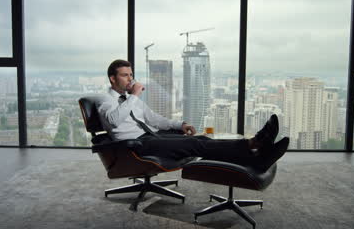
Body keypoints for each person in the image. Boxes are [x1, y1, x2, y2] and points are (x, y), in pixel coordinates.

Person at [97, 59, 289, 171]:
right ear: (113, 79)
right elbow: (114, 121)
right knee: (195, 144)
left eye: (131, 75)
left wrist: (180, 124)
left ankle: (254, 146)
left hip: (152, 137)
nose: (130, 79)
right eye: (125, 75)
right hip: (136, 146)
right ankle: (255, 153)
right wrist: (135, 95)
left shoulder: (132, 100)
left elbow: (155, 119)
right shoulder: (105, 100)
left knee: (201, 139)